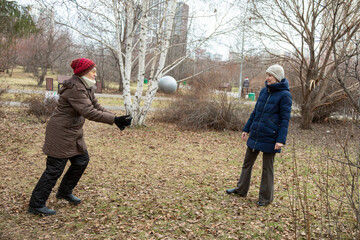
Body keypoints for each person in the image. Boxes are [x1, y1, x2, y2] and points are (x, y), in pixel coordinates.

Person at [28, 58, 132, 215]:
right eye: (93, 70)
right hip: (60, 133)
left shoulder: (86, 86)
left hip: (72, 132)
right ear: (84, 72)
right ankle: (36, 205)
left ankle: (64, 192)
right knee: (54, 170)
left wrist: (115, 118)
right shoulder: (75, 88)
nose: (95, 73)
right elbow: (88, 112)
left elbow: (95, 106)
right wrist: (113, 120)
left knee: (81, 160)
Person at [226, 64, 292, 206]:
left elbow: (285, 120)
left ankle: (265, 198)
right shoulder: (264, 91)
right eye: (267, 74)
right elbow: (255, 113)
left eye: (270, 75)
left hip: (271, 136)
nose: (267, 77)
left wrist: (281, 140)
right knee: (247, 163)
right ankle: (241, 189)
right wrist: (246, 128)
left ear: (277, 78)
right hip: (256, 133)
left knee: (267, 168)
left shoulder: (285, 95)